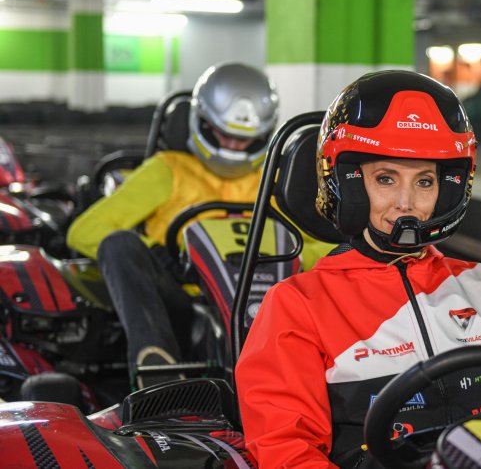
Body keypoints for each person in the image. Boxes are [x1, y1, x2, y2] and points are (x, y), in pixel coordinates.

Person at [236, 70, 481, 468]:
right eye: (386, 179)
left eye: (424, 182)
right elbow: (285, 449)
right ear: (349, 184)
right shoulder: (298, 305)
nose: (406, 203)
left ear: (448, 190)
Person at [66, 62, 331, 389]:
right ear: (202, 122)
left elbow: (329, 247)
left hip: (270, 307)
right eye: (225, 135)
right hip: (185, 304)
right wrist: (159, 253)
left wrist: (294, 257)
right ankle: (158, 368)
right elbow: (85, 231)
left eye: (244, 139)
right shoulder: (167, 170)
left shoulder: (275, 180)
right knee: (119, 244)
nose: (234, 146)